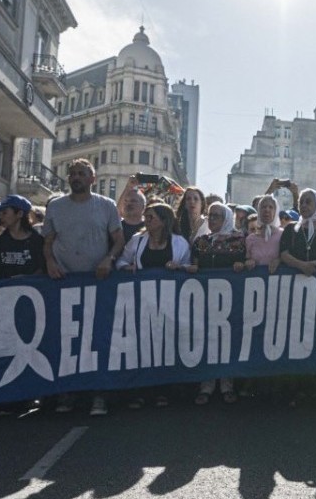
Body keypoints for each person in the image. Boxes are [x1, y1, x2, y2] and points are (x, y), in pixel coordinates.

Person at [43, 159, 125, 416]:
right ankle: (67, 394)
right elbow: (47, 241)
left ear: (93, 178)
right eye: (72, 173)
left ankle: (98, 394)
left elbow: (119, 239)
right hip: (64, 282)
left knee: (97, 338)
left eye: (81, 173)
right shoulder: (55, 206)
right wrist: (50, 262)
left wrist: (108, 258)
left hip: (98, 283)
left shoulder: (107, 205)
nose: (76, 177)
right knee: (67, 339)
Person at [116, 201, 190, 409]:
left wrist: (179, 267)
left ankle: (162, 391)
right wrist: (127, 267)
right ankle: (140, 391)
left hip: (169, 305)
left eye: (151, 217)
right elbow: (120, 261)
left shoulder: (179, 242)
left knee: (165, 348)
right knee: (141, 348)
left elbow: (190, 267)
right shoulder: (137, 241)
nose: (146, 221)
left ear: (163, 221)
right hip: (141, 305)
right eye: (146, 217)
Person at [189, 202, 246, 405]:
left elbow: (247, 263)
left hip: (230, 301)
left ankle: (226, 383)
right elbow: (194, 265)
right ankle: (207, 383)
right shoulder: (200, 242)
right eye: (210, 215)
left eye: (217, 216)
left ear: (227, 218)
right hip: (205, 301)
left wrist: (242, 265)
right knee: (207, 340)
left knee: (227, 340)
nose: (211, 219)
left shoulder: (240, 241)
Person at [0, 195, 46, 282]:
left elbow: (42, 270)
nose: (0, 217)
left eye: (4, 213)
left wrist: (26, 278)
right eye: (0, 213)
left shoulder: (38, 241)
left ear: (19, 214)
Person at [280, 188, 316, 275]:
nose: (303, 205)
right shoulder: (291, 228)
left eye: (308, 202)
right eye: (301, 202)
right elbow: (284, 254)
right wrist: (302, 265)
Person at [244, 195, 284, 274]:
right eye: (263, 207)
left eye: (271, 207)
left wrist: (279, 260)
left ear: (276, 211)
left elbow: (288, 257)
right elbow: (246, 260)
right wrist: (249, 262)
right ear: (259, 211)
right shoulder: (250, 239)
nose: (267, 210)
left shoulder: (283, 235)